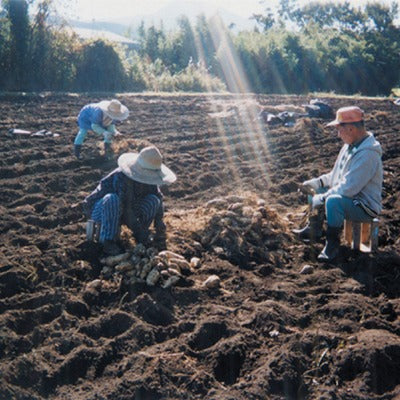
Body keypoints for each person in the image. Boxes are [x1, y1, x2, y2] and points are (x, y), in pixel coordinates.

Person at [294, 106, 383, 262]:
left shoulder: (368, 154)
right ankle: (313, 229)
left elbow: (348, 188)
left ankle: (332, 245)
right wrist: (316, 183)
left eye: (339, 129)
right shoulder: (350, 147)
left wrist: (321, 199)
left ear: (350, 129)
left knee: (333, 201)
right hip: (352, 197)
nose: (338, 134)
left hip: (363, 205)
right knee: (318, 190)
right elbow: (336, 175)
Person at [83, 145, 177, 255]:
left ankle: (141, 236)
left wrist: (159, 223)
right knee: (112, 200)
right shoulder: (122, 177)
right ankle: (108, 241)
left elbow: (158, 197)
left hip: (128, 208)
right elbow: (126, 210)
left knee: (153, 200)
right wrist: (138, 231)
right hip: (103, 210)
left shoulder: (148, 180)